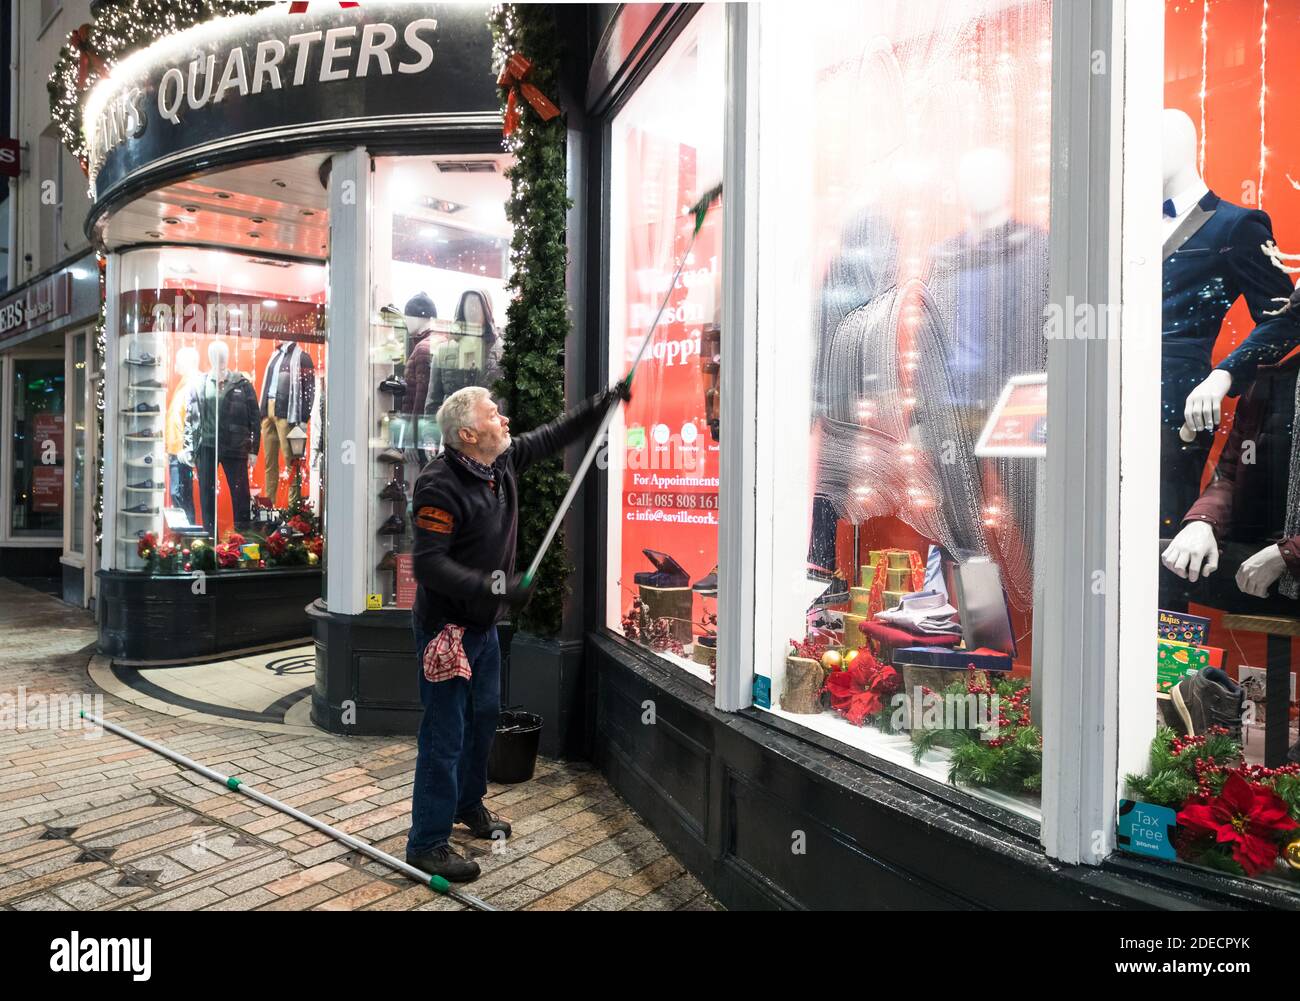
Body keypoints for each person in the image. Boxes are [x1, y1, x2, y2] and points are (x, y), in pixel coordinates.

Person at [405, 380, 631, 882]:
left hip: (483, 631)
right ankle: (426, 843)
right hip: (446, 633)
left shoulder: (499, 462)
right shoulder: (439, 486)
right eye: (493, 414)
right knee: (445, 735)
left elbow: (552, 436)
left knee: (483, 721)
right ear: (468, 432)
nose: (504, 420)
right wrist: (498, 587)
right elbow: (429, 566)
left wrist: (603, 401)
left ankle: (469, 805)